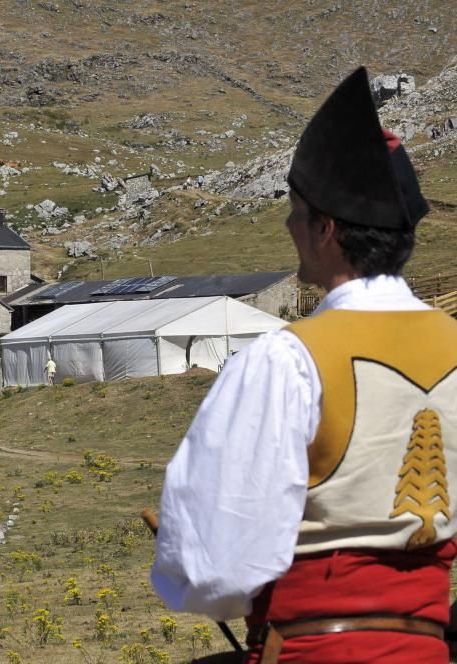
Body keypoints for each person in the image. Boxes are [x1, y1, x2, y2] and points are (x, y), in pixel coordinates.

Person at [150, 67, 457, 663]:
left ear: (326, 228)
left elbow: (217, 569)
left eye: (296, 212)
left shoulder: (286, 359)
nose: (289, 227)